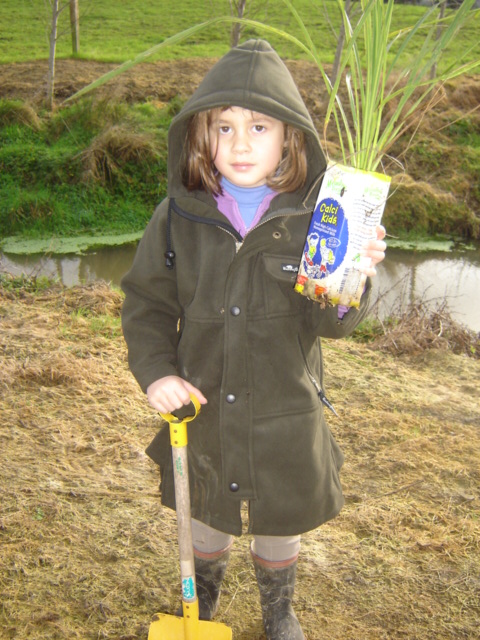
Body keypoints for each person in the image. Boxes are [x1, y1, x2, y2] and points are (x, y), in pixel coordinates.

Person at [121, 39, 386, 640]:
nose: (240, 144)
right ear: (200, 136)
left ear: (290, 138)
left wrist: (352, 277)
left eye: (259, 127)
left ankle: (278, 610)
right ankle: (202, 607)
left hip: (284, 406)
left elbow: (332, 326)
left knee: (279, 514)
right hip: (203, 400)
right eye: (223, 127)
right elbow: (147, 304)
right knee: (206, 510)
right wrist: (158, 373)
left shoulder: (320, 221)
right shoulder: (175, 216)